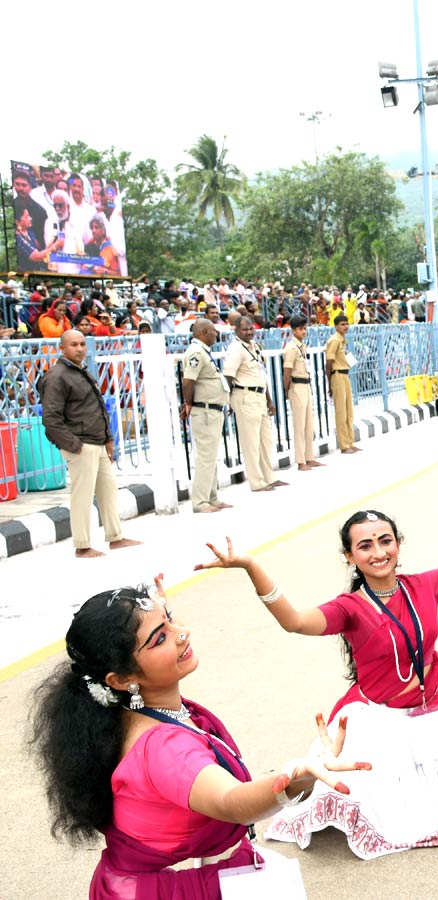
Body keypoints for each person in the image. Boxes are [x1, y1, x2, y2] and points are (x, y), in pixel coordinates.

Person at [194, 469, 438, 858]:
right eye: (366, 546)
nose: (378, 553)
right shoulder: (350, 609)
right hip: (382, 720)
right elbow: (295, 621)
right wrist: (251, 566)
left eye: (385, 541)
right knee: (394, 808)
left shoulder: (425, 585)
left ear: (398, 545)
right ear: (350, 556)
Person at [30, 581, 365, 898]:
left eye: (170, 620)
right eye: (159, 639)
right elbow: (230, 801)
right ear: (121, 679)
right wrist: (295, 777)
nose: (182, 634)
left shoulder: (125, 714)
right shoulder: (163, 748)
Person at [37, 330, 142, 558]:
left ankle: (116, 537)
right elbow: (51, 419)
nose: (80, 348)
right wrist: (74, 445)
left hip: (98, 442)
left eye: (82, 344)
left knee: (108, 490)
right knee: (82, 496)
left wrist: (108, 438)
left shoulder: (82, 372)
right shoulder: (57, 377)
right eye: (73, 344)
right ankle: (82, 545)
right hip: (81, 445)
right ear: (62, 348)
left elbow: (97, 407)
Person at [223, 317, 286, 493]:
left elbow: (261, 374)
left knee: (265, 440)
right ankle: (256, 482)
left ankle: (269, 477)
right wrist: (229, 400)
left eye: (251, 328)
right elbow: (228, 376)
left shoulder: (254, 347)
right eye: (245, 329)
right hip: (244, 395)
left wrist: (269, 400)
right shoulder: (236, 349)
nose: (249, 332)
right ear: (236, 331)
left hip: (259, 395)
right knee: (251, 442)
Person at [181, 320, 233, 514]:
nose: (216, 334)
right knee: (205, 457)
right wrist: (189, 404)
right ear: (203, 332)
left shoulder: (203, 352)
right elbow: (188, 381)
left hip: (213, 409)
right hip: (204, 410)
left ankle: (212, 497)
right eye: (213, 331)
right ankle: (200, 501)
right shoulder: (195, 353)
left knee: (211, 456)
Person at [282, 315, 322, 471]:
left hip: (305, 385)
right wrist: (287, 390)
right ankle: (300, 460)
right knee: (299, 424)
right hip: (296, 385)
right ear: (293, 330)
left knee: (308, 423)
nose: (303, 331)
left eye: (305, 328)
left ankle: (309, 456)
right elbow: (287, 371)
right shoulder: (291, 348)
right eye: (300, 329)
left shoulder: (302, 346)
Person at [325, 315, 360, 454]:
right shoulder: (334, 341)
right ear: (336, 326)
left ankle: (350, 442)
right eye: (342, 324)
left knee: (349, 410)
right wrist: (329, 384)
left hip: (345, 374)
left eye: (346, 324)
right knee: (341, 412)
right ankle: (344, 445)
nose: (345, 327)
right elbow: (328, 363)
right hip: (337, 375)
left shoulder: (342, 340)